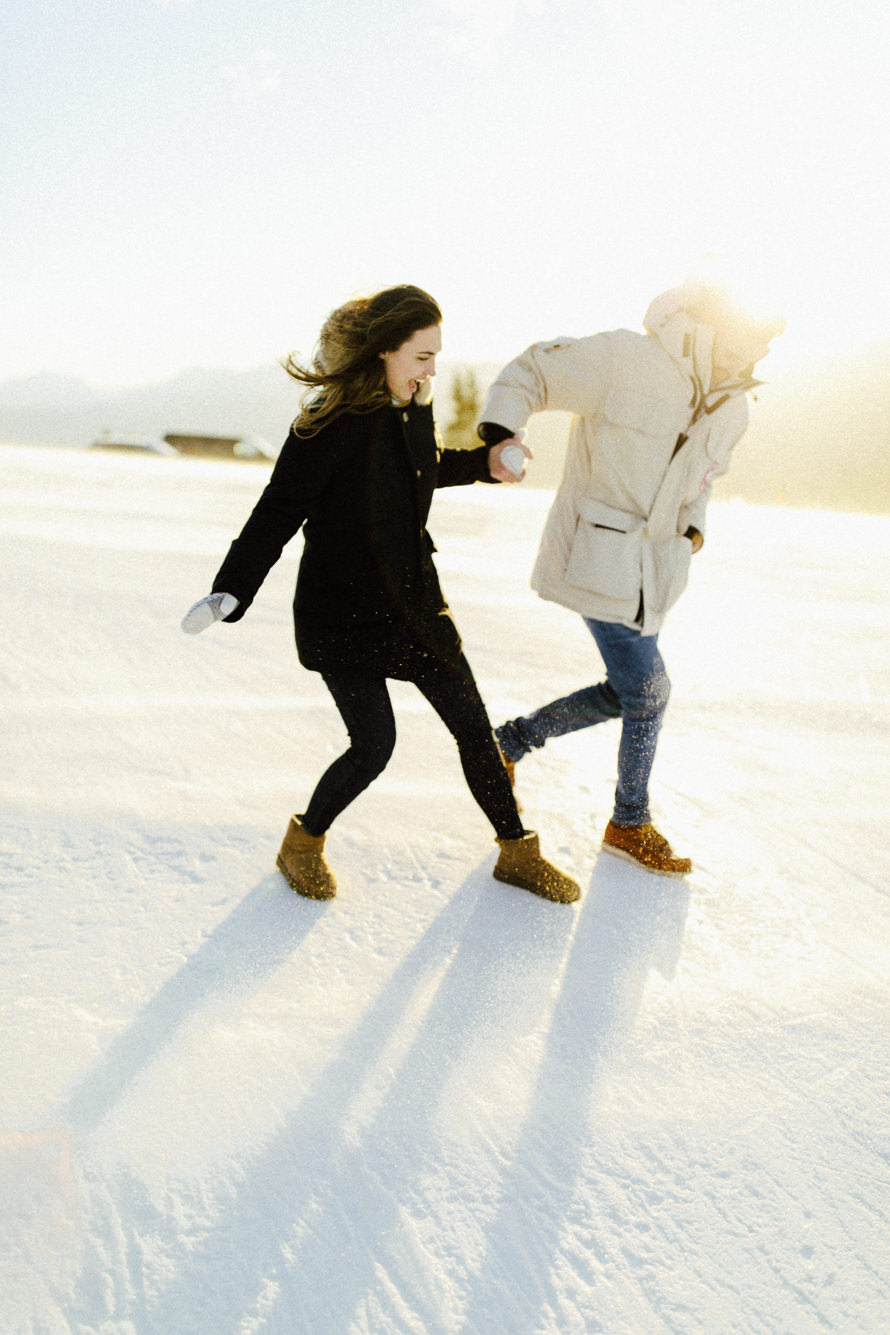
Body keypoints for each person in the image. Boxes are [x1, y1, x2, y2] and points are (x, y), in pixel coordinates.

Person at [182, 285, 578, 904]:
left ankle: (516, 852)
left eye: (436, 355)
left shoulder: (412, 403)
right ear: (386, 351)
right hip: (344, 612)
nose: (433, 368)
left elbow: (421, 466)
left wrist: (486, 464)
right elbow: (278, 511)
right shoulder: (329, 426)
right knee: (374, 746)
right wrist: (231, 589)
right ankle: (303, 843)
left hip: (416, 605)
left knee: (474, 730)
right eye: (423, 355)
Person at [477, 267, 785, 876]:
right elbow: (533, 371)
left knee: (628, 691)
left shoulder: (734, 408)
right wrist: (500, 433)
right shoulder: (628, 358)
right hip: (598, 555)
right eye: (742, 334)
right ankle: (629, 820)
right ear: (710, 322)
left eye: (761, 343)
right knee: (648, 691)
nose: (748, 352)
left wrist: (694, 528)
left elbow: (703, 478)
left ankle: (507, 744)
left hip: (657, 573)